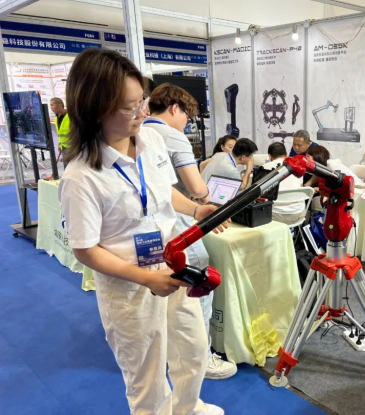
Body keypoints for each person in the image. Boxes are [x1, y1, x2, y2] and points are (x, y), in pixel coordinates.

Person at [59, 48, 228, 415]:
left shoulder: (151, 141)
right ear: (95, 109)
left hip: (172, 265)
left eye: (143, 102)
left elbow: (162, 191)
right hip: (128, 284)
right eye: (129, 108)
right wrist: (145, 278)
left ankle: (188, 408)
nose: (142, 113)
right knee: (146, 377)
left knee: (193, 349)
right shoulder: (81, 177)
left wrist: (197, 209)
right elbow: (85, 248)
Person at [143, 82, 237, 380]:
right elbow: (197, 188)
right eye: (187, 116)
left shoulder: (139, 132)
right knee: (198, 287)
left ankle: (168, 353)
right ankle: (201, 358)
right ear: (175, 108)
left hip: (147, 229)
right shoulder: (172, 136)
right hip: (178, 226)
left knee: (160, 291)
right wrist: (204, 200)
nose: (187, 122)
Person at [262, 142, 304, 225]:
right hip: (298, 213)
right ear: (286, 154)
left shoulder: (264, 167)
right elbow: (300, 187)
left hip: (275, 215)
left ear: (270, 156)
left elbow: (261, 193)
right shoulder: (298, 168)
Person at [50, 97, 70, 168]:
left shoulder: (70, 116)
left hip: (73, 148)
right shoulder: (56, 117)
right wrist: (60, 144)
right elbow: (61, 134)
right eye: (50, 105)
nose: (51, 108)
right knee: (66, 168)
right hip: (64, 147)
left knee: (71, 168)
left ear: (60, 106)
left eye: (52, 105)